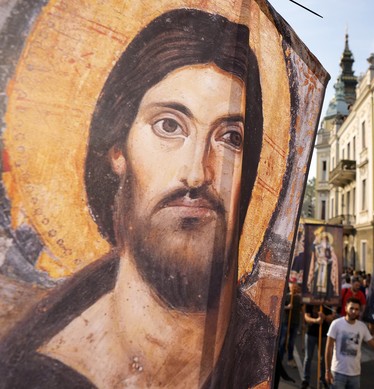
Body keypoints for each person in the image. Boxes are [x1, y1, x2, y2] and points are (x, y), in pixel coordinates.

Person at [0, 9, 274, 388]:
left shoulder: (256, 344)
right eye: (168, 126)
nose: (197, 172)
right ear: (118, 149)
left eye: (230, 138)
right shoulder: (43, 373)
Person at [325, 297, 374, 389]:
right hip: (338, 373)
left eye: (356, 309)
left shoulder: (362, 327)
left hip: (355, 375)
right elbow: (328, 348)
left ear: (359, 311)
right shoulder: (336, 324)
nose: (354, 311)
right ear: (346, 308)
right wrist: (327, 370)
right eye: (351, 308)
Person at [302, 304, 336, 389]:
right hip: (311, 334)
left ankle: (323, 379)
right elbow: (306, 318)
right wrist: (316, 320)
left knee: (323, 358)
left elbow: (331, 318)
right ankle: (305, 380)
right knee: (308, 358)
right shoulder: (310, 303)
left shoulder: (326, 304)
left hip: (324, 335)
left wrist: (324, 317)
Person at [308, 229, 339, 300]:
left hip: (327, 266)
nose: (324, 240)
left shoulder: (330, 248)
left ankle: (326, 296)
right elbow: (312, 250)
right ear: (321, 239)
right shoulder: (317, 247)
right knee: (317, 280)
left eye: (326, 239)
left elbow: (333, 257)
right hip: (319, 266)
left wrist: (329, 261)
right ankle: (316, 295)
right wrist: (315, 241)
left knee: (327, 281)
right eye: (323, 239)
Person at [280, 281, 302, 367]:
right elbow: (281, 308)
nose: (294, 286)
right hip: (286, 321)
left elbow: (303, 309)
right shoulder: (286, 296)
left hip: (295, 322)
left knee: (291, 342)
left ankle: (290, 359)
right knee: (282, 342)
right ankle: (280, 359)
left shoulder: (299, 298)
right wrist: (287, 307)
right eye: (292, 285)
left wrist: (303, 324)